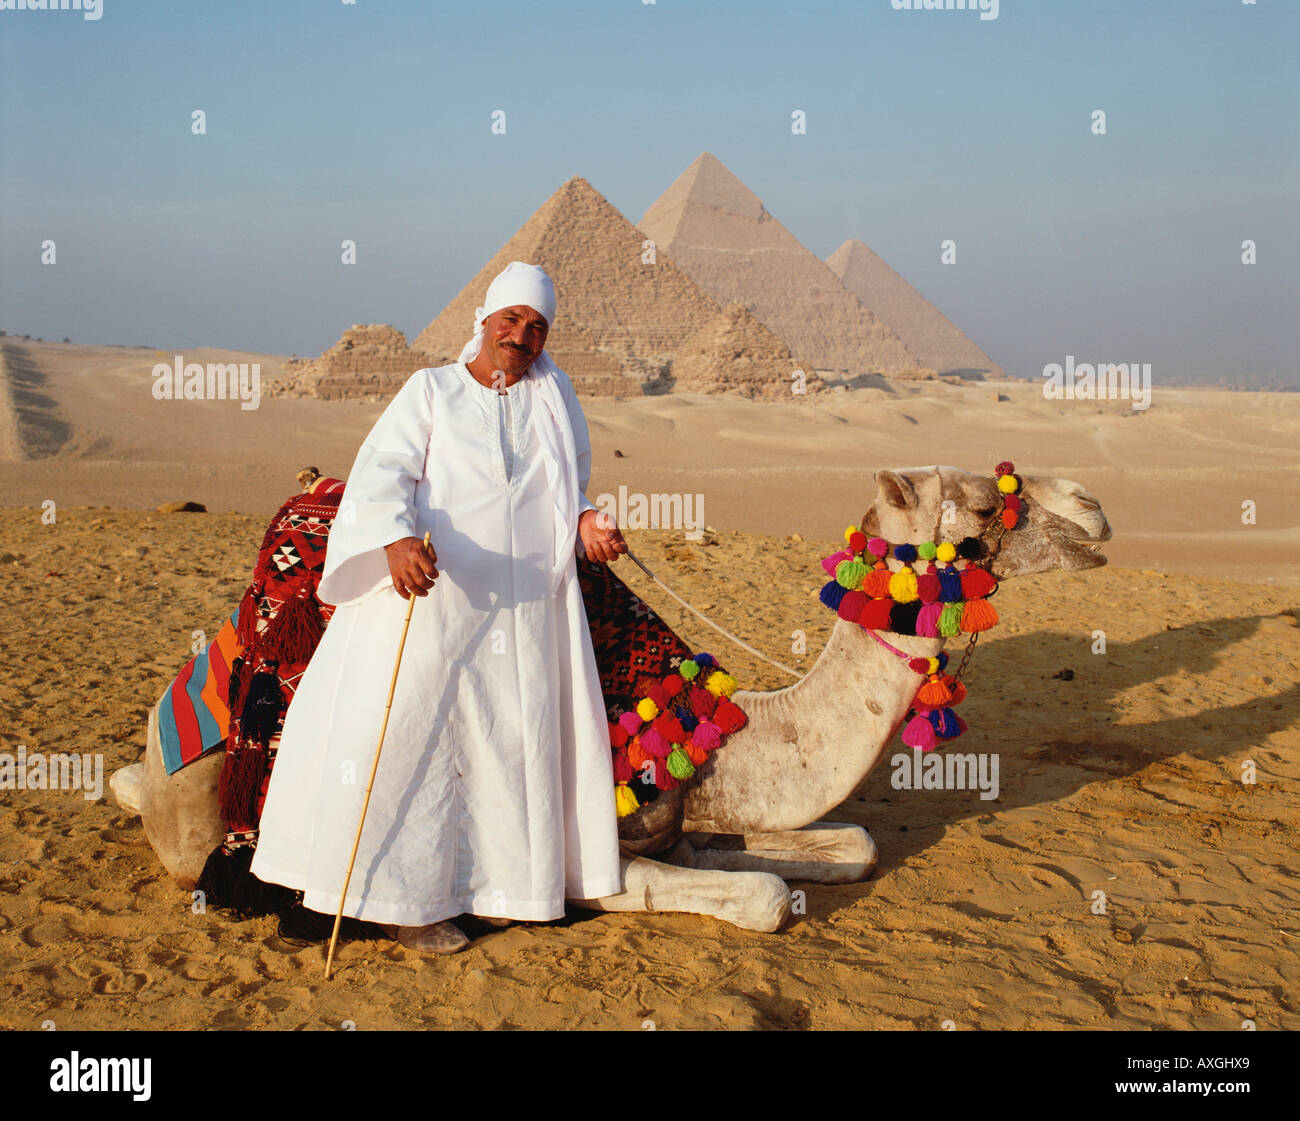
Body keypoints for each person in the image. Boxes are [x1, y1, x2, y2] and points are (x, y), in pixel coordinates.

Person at [249, 261, 628, 954]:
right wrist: (394, 539)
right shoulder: (432, 390)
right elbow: (381, 472)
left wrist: (587, 523)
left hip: (525, 611)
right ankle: (399, 901)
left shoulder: (557, 395)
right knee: (407, 743)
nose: (522, 335)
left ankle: (497, 890)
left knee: (510, 747)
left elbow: (567, 482)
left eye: (537, 326)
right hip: (432, 601)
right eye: (511, 319)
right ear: (483, 321)